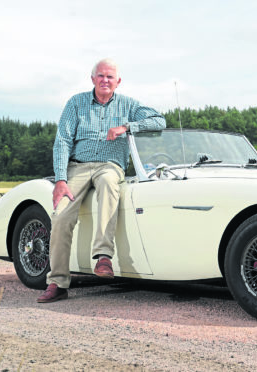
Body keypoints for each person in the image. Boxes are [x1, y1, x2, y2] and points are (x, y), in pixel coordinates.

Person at [37, 58, 166, 303]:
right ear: (93, 79)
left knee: (108, 184)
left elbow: (159, 122)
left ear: (118, 81)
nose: (105, 80)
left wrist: (126, 127)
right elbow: (62, 141)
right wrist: (61, 179)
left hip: (110, 166)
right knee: (61, 216)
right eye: (101, 76)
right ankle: (57, 282)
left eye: (110, 77)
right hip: (77, 167)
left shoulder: (129, 105)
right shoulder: (76, 103)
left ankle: (103, 257)